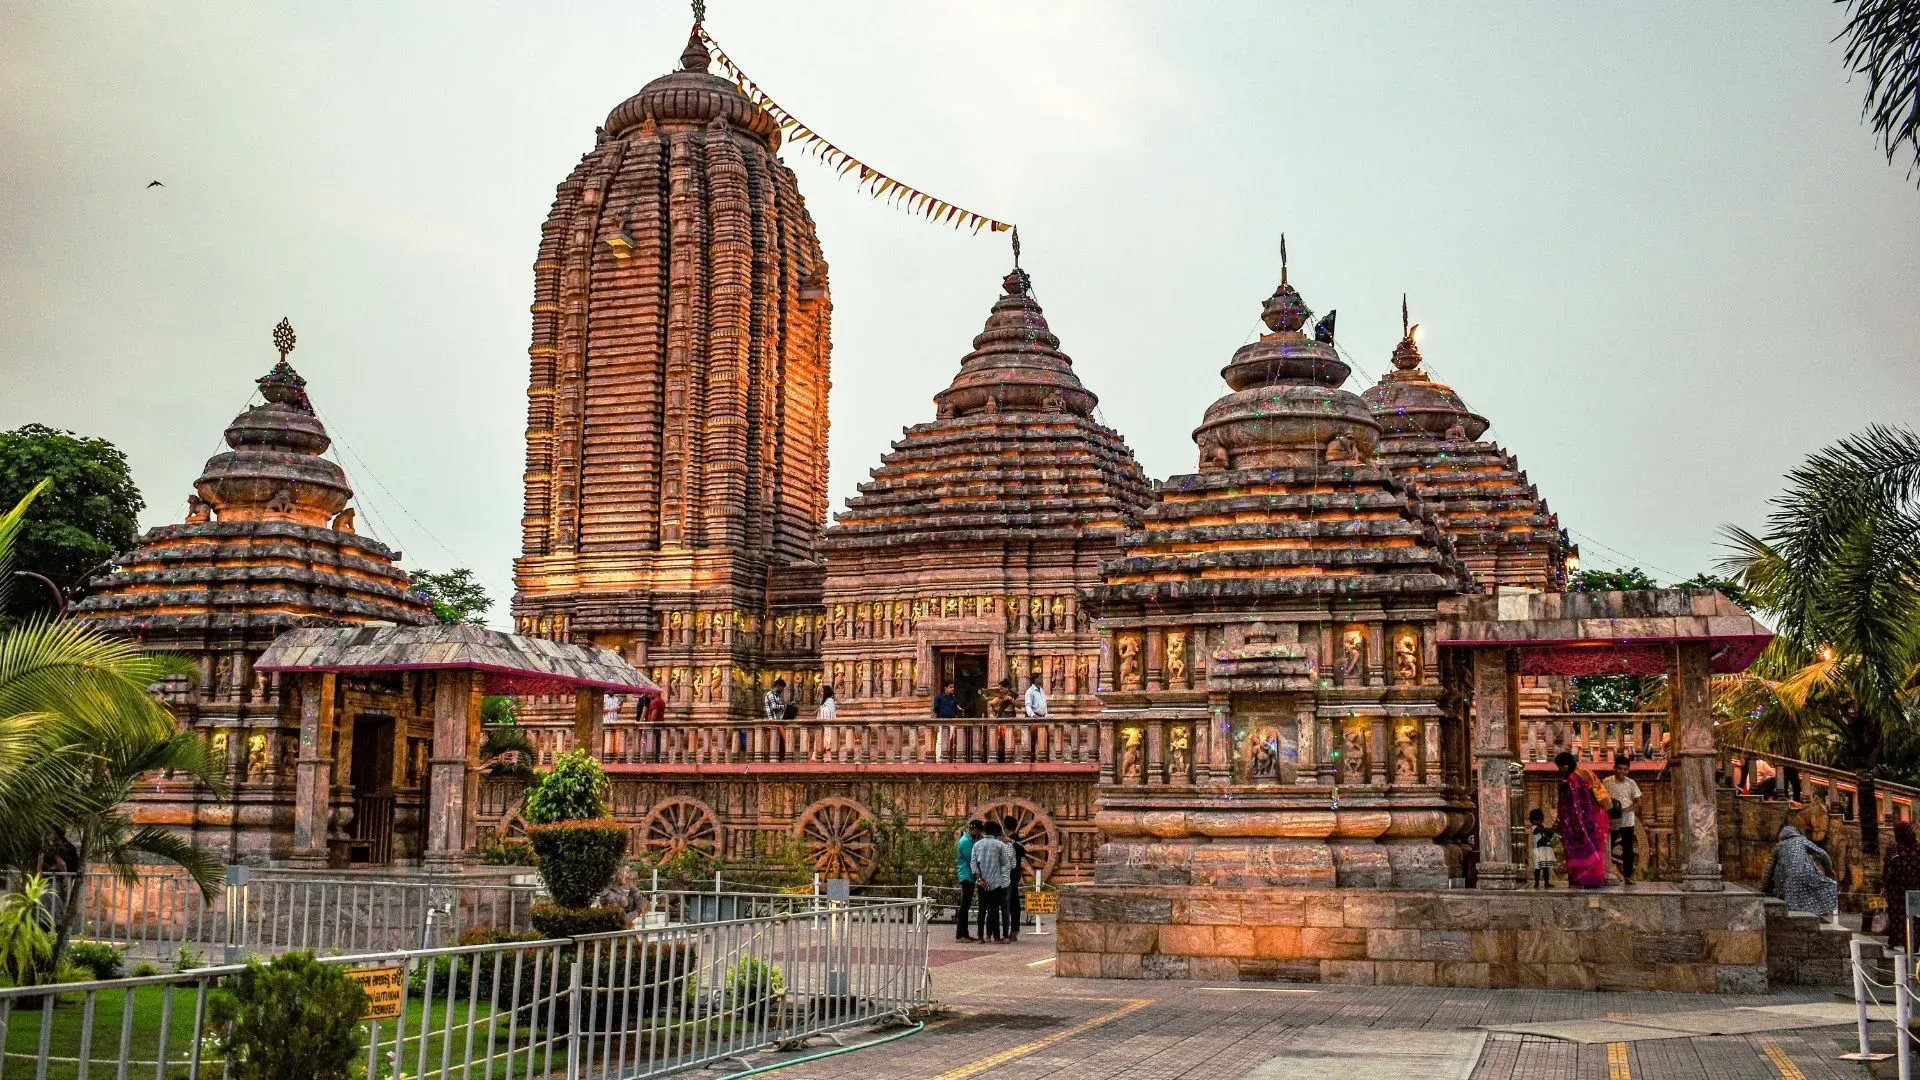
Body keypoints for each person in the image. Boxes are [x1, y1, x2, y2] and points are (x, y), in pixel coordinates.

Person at [1552, 750, 1612, 887]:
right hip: (1599, 816)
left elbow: (1572, 805)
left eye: (1559, 767)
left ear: (1565, 766)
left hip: (1582, 819)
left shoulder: (1571, 780)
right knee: (1597, 849)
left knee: (1580, 847)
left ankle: (1581, 880)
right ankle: (1595, 880)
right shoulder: (1588, 772)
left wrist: (1561, 820)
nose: (1559, 770)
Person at [1763, 824, 1838, 916]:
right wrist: (1829, 868)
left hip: (1784, 878)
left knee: (1789, 891)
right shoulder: (1802, 840)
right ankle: (1814, 912)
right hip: (1806, 874)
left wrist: (1764, 887)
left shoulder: (1779, 846)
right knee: (1828, 885)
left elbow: (1769, 869)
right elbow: (1822, 854)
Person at [971, 820, 1015, 942]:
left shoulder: (977, 845)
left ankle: (981, 936)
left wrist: (980, 879)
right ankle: (995, 937)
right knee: (994, 910)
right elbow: (1005, 862)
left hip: (981, 882)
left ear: (984, 831)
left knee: (982, 910)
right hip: (995, 882)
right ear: (995, 832)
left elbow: (973, 864)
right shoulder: (999, 845)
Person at [1604, 755, 1643, 884]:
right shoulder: (1606, 782)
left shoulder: (1631, 783)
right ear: (1614, 768)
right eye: (1619, 768)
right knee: (1608, 846)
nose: (1622, 771)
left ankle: (1627, 876)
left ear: (1628, 770)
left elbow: (1638, 802)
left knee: (1628, 848)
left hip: (1627, 820)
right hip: (1611, 821)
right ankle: (1604, 873)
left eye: (1625, 769)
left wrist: (1624, 810)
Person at [1883, 821, 1920, 950]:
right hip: (1915, 890)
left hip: (1896, 892)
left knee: (1897, 917)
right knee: (1914, 917)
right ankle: (1913, 944)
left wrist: (1885, 885)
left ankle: (1894, 940)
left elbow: (1886, 870)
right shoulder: (1918, 849)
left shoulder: (1893, 849)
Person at [954, 820, 982, 941]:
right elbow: (972, 858)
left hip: (969, 876)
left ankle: (965, 933)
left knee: (966, 905)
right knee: (964, 906)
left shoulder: (969, 840)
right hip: (966, 875)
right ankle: (960, 934)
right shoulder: (965, 842)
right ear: (975, 830)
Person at [1002, 815, 1028, 941]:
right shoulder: (1015, 839)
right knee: (1013, 902)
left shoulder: (1013, 840)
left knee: (1009, 902)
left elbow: (1023, 851)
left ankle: (1012, 930)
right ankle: (1013, 929)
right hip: (1015, 874)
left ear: (1005, 826)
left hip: (1010, 875)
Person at [1529, 807, 1557, 888]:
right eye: (1535, 820)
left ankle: (1546, 883)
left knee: (1546, 867)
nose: (1537, 821)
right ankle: (1536, 883)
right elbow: (1539, 830)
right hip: (1538, 850)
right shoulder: (1534, 827)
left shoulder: (1542, 827)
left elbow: (1547, 833)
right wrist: (1548, 829)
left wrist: (1551, 831)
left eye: (1539, 819)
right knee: (1537, 868)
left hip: (1545, 849)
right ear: (1532, 820)